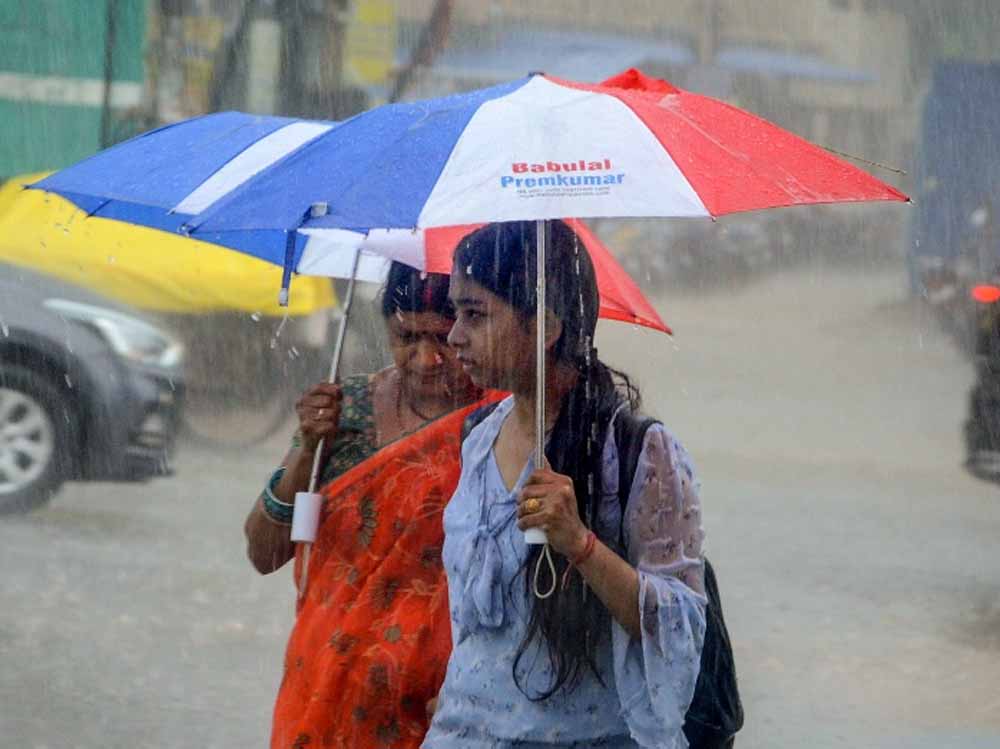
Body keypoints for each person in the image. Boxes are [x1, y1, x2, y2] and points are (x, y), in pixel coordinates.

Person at [424, 221, 706, 748]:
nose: (454, 335)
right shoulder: (478, 439)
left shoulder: (637, 452)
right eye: (455, 312)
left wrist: (581, 544)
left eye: (475, 314)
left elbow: (681, 628)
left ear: (545, 327)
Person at [244, 262, 496, 749]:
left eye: (442, 338)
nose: (426, 358)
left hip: (447, 698)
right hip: (327, 686)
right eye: (407, 338)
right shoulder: (346, 409)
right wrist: (308, 449)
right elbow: (264, 552)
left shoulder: (502, 421)